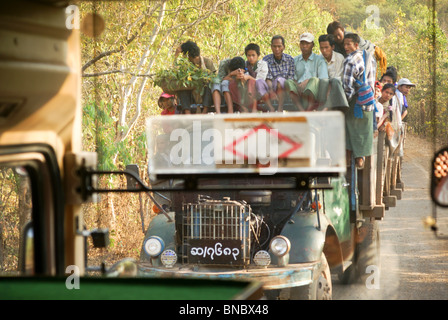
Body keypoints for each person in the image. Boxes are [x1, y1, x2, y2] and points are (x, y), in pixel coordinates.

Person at [342, 33, 377, 169]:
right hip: (368, 103)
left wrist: (345, 103)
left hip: (355, 103)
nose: (346, 47)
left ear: (356, 45)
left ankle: (351, 159)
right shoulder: (370, 58)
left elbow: (347, 87)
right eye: (344, 44)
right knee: (364, 132)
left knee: (350, 130)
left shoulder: (350, 60)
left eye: (348, 44)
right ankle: (361, 157)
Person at [284, 32, 328, 111]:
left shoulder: (319, 60)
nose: (304, 46)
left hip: (313, 91)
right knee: (288, 81)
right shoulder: (295, 60)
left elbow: (323, 78)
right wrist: (298, 84)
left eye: (307, 43)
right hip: (299, 89)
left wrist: (307, 82)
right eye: (302, 43)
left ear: (312, 45)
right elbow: (292, 77)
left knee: (314, 80)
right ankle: (301, 109)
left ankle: (308, 109)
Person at [175, 40, 216, 114]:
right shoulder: (186, 65)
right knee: (181, 85)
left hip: (205, 94)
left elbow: (214, 77)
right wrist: (176, 56)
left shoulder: (207, 62)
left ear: (188, 55)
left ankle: (205, 111)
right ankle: (187, 112)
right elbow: (175, 73)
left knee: (209, 82)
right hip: (192, 94)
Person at [262, 35, 295, 112]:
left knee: (280, 80)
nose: (277, 49)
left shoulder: (290, 59)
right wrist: (271, 91)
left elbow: (290, 79)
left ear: (283, 47)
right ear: (271, 47)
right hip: (271, 88)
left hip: (286, 88)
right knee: (276, 81)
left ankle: (280, 107)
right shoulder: (266, 60)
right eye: (274, 46)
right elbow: (268, 78)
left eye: (279, 46)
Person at [244, 43, 275, 112]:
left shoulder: (263, 64)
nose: (251, 58)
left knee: (258, 82)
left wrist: (249, 77)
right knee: (250, 83)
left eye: (253, 55)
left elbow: (260, 78)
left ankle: (269, 106)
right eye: (249, 55)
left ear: (258, 55)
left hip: (261, 87)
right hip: (250, 89)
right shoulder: (245, 65)